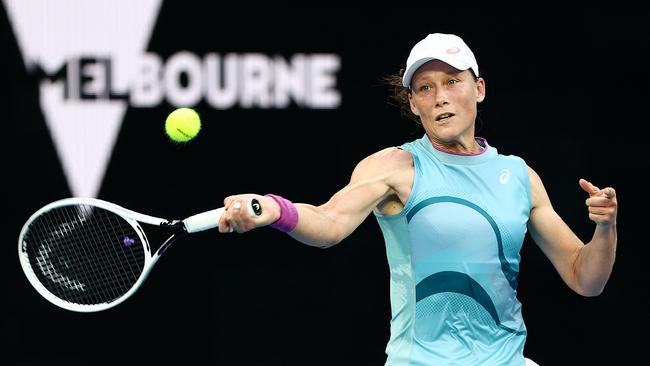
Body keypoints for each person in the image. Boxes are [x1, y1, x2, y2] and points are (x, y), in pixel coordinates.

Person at [217, 33, 618, 366]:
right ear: (413, 104)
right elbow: (329, 223)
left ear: (478, 89)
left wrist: (605, 228)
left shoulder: (520, 176)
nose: (439, 97)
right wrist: (275, 209)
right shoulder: (394, 167)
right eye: (425, 88)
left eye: (452, 81)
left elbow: (585, 278)